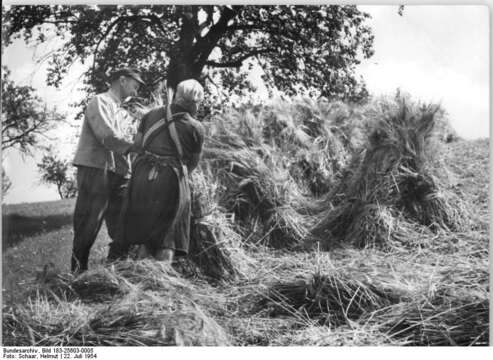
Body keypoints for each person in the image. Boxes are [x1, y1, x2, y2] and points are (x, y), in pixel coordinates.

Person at [109, 79, 205, 263]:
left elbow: (138, 146)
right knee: (167, 237)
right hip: (171, 180)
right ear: (195, 102)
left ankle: (140, 279)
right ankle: (158, 283)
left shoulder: (150, 116)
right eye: (198, 103)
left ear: (177, 95)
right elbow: (193, 163)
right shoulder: (196, 128)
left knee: (144, 233)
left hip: (142, 178)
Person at [71, 68, 145, 273]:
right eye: (135, 85)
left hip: (120, 174)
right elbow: (108, 136)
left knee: (125, 225)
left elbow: (130, 142)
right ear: (122, 80)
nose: (136, 92)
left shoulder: (124, 113)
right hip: (96, 170)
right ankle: (78, 276)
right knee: (88, 225)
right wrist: (136, 146)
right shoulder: (99, 102)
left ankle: (114, 273)